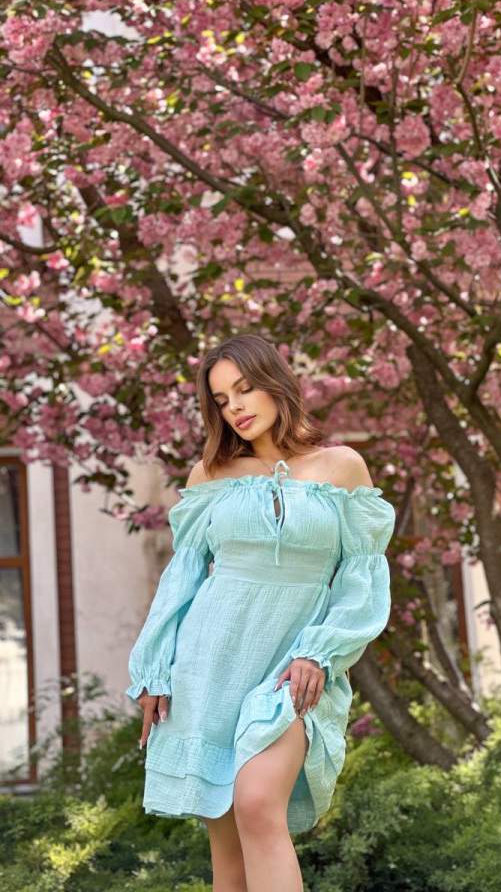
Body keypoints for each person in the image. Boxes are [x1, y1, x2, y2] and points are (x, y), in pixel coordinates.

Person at [125, 332, 396, 892]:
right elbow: (182, 579)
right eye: (222, 399)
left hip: (291, 668)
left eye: (245, 389)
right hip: (207, 664)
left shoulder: (341, 468)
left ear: (276, 383)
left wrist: (318, 651)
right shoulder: (210, 476)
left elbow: (361, 578)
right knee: (228, 854)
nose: (236, 407)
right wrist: (153, 670)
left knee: (256, 805)